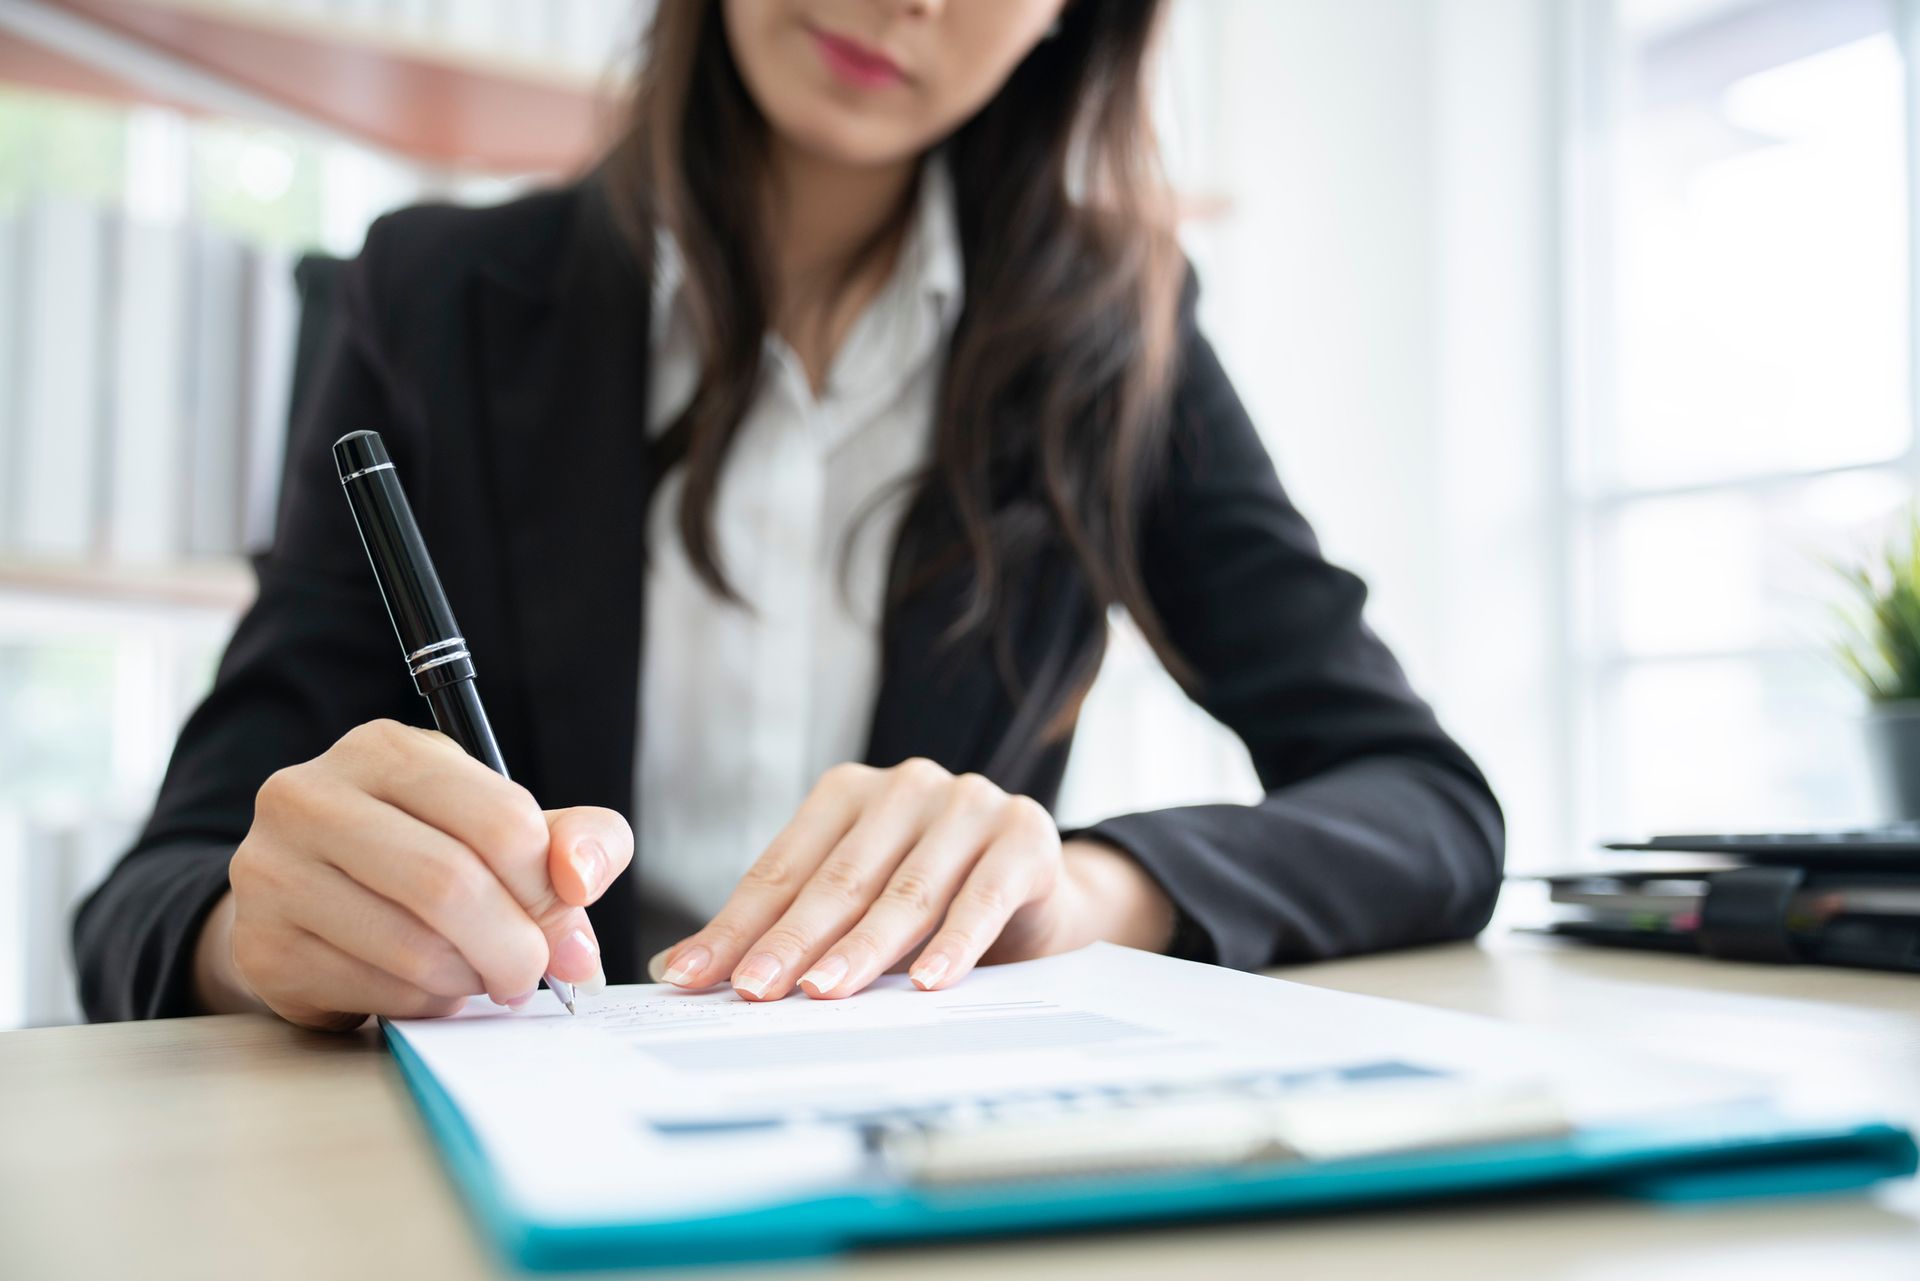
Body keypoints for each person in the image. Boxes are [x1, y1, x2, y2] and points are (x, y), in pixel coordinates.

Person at [75, 0, 1503, 1030]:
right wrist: (263, 932)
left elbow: (1425, 806)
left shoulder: (1112, 337)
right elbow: (158, 898)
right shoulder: (433, 297)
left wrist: (1073, 894)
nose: (912, 2)